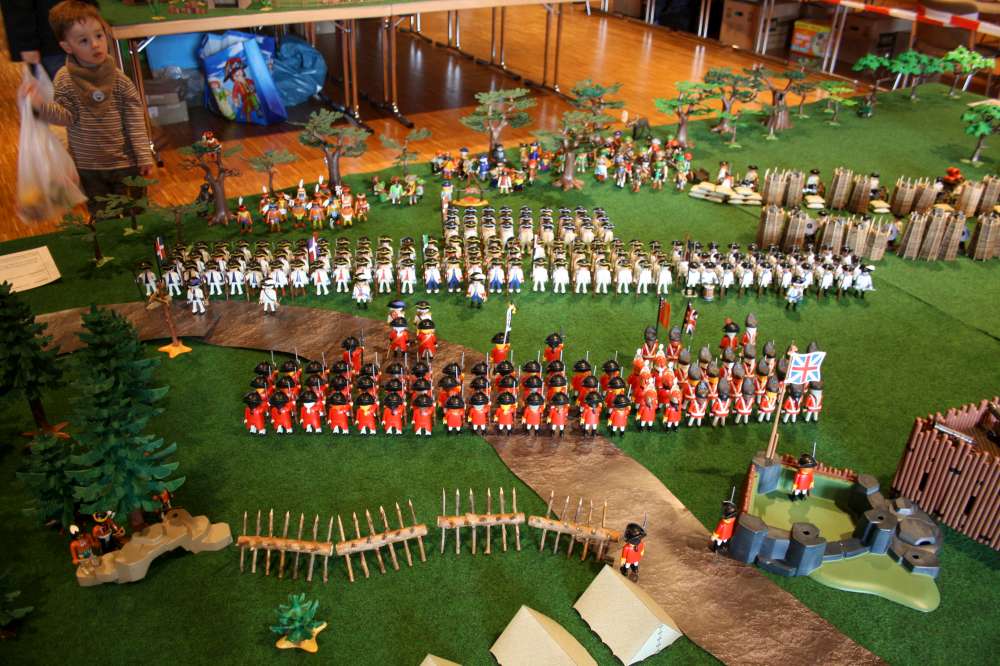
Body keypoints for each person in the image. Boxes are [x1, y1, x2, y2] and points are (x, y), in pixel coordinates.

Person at [21, 1, 154, 223]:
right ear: (67, 46)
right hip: (89, 167)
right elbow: (66, 116)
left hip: (125, 164)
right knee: (103, 217)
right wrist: (39, 106)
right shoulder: (65, 79)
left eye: (99, 36)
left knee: (136, 215)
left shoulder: (119, 79)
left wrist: (143, 155)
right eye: (83, 40)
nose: (95, 45)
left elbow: (134, 120)